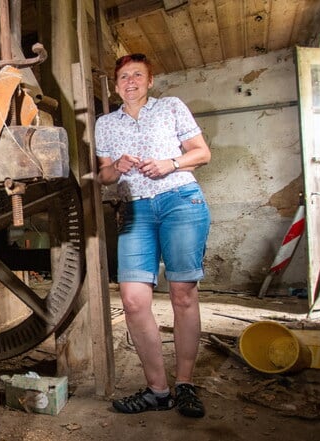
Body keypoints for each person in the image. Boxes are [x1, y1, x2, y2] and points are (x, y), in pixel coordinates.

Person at [94, 53, 211, 418]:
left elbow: (202, 153)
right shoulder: (105, 124)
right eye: (124, 76)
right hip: (135, 209)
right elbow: (104, 178)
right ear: (116, 85)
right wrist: (116, 166)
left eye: (137, 75)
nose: (130, 82)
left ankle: (186, 384)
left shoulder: (171, 107)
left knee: (182, 294)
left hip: (180, 200)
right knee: (132, 299)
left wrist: (170, 163)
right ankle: (158, 390)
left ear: (150, 80)